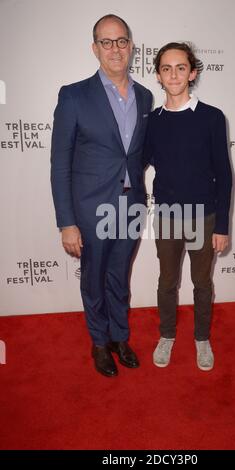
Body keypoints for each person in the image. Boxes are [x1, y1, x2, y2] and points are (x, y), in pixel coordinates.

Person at [51, 14, 152, 378]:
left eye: (121, 41)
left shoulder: (144, 95)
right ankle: (98, 342)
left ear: (131, 46)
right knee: (93, 277)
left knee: (118, 276)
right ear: (95, 48)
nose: (115, 49)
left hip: (132, 204)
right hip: (91, 207)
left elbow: (140, 153)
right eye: (106, 42)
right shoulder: (74, 95)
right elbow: (59, 163)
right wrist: (67, 221)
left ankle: (119, 337)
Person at [145, 42, 232, 371]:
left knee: (201, 282)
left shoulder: (211, 117)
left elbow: (224, 175)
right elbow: (137, 162)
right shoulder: (152, 121)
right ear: (158, 75)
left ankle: (201, 338)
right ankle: (166, 334)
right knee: (167, 281)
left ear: (192, 72)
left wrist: (222, 225)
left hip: (204, 217)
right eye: (166, 68)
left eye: (180, 67)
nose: (174, 74)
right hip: (166, 217)